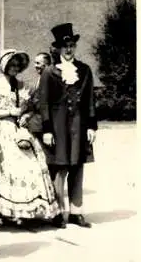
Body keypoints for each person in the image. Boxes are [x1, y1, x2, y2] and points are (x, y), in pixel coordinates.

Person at [0, 49, 59, 223]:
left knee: (27, 166)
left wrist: (26, 115)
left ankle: (22, 209)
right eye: (11, 65)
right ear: (4, 65)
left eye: (17, 65)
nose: (14, 68)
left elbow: (33, 107)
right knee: (2, 168)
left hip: (19, 130)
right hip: (0, 129)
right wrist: (8, 112)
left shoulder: (24, 86)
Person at [40, 23, 98, 228]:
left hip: (79, 125)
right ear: (57, 48)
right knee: (59, 168)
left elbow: (90, 98)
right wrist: (46, 129)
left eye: (72, 45)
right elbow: (44, 102)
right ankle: (58, 212)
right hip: (57, 126)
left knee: (77, 166)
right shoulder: (49, 72)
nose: (69, 49)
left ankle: (76, 212)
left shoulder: (84, 70)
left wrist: (91, 126)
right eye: (65, 46)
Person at [19, 53, 52, 138]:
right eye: (35, 63)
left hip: (46, 123)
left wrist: (29, 116)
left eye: (38, 63)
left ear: (47, 65)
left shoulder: (51, 81)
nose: (35, 66)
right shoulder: (39, 79)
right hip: (37, 119)